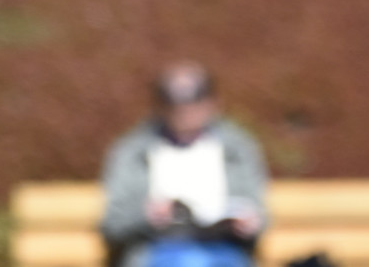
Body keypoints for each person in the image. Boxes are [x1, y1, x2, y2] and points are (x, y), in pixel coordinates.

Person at [100, 61, 268, 267]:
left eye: (195, 98)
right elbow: (112, 224)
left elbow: (260, 215)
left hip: (225, 251)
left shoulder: (237, 149)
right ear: (160, 105)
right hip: (155, 251)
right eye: (173, 101)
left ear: (212, 102)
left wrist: (248, 222)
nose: (185, 110)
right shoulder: (133, 151)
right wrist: (146, 215)